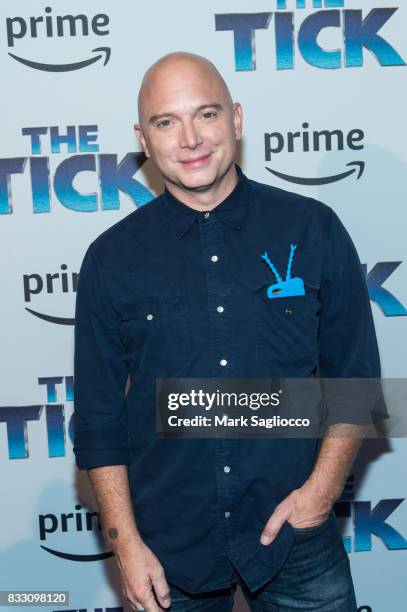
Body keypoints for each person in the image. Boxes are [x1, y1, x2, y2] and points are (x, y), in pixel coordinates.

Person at [73, 52, 382, 611]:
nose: (190, 138)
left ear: (236, 120)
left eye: (206, 114)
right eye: (167, 122)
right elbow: (98, 419)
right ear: (143, 138)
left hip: (297, 539)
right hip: (167, 551)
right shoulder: (110, 259)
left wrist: (319, 494)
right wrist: (126, 546)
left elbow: (354, 380)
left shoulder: (312, 229)